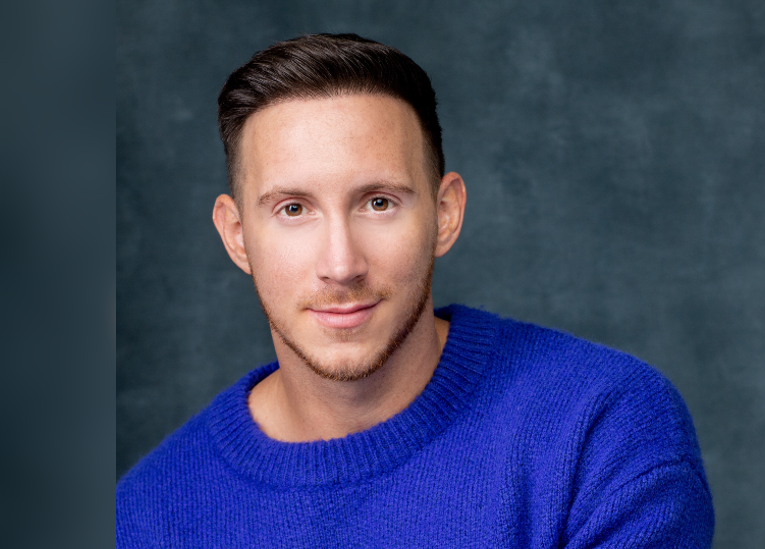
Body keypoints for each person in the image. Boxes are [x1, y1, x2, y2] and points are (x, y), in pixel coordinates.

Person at [116, 33, 714, 548]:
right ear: (238, 236)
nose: (341, 263)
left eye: (378, 203)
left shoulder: (602, 430)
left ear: (445, 213)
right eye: (294, 209)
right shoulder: (146, 515)